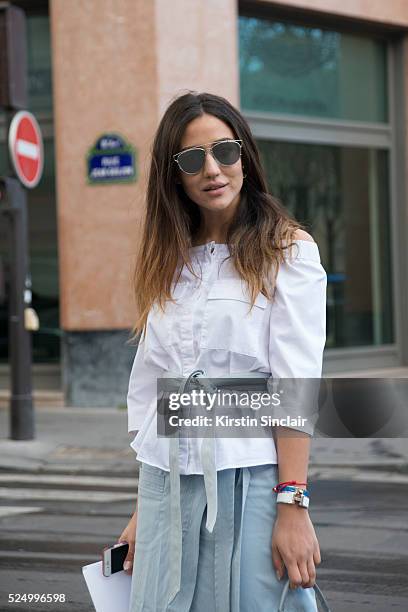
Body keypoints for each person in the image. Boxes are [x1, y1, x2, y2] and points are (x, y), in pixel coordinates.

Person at [117, 91, 327, 611]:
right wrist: (146, 508)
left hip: (252, 475)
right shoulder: (167, 261)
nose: (212, 169)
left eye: (225, 151)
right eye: (192, 159)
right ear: (175, 175)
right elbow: (153, 388)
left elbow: (295, 384)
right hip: (166, 483)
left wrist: (292, 502)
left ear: (245, 156)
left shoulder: (288, 251)